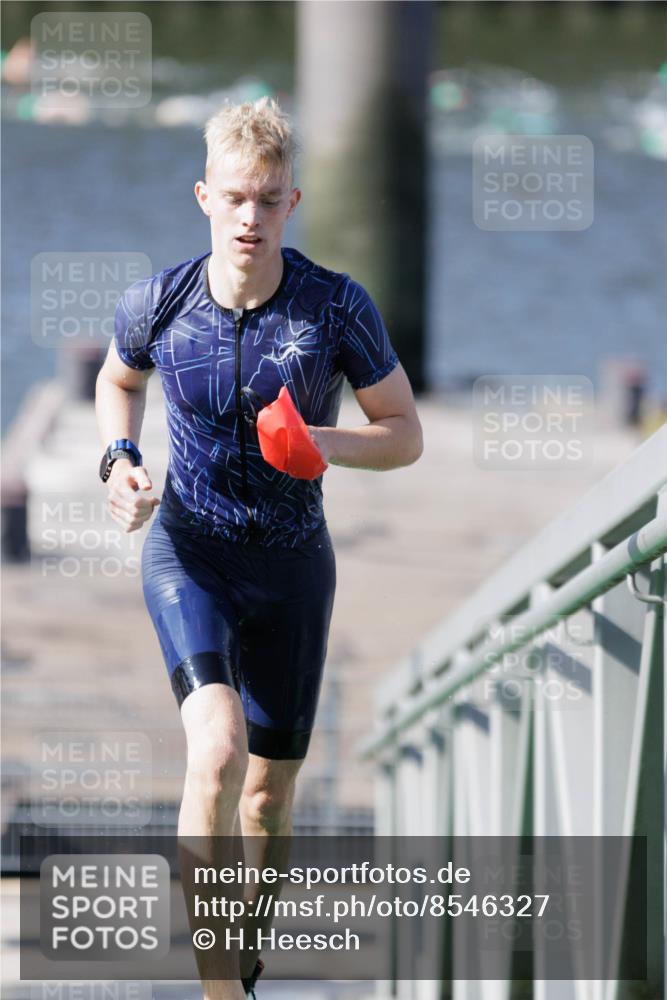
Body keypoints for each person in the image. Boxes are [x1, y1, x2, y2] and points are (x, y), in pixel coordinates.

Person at [95, 97, 423, 998]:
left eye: (268, 201)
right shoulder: (158, 300)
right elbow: (116, 381)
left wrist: (327, 444)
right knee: (214, 749)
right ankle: (215, 988)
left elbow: (402, 432)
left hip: (290, 568)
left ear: (293, 202)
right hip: (189, 552)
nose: (250, 218)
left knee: (268, 796)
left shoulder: (332, 308)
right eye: (235, 197)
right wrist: (118, 460)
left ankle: (245, 946)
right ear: (204, 195)